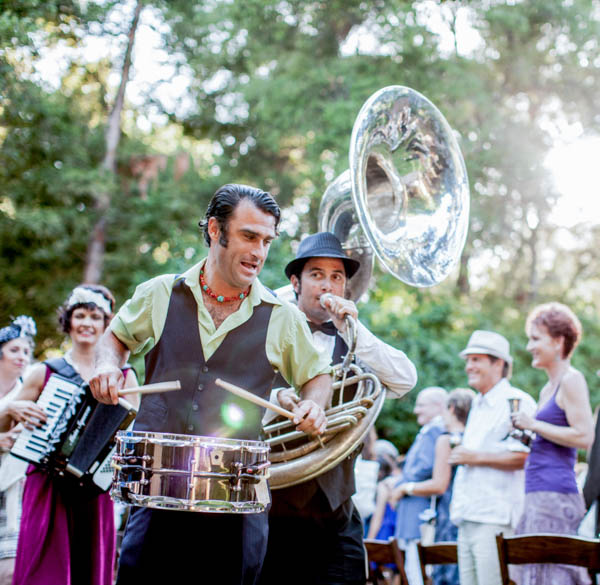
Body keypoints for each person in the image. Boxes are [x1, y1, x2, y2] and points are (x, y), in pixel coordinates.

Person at [89, 185, 333, 585]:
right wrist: (106, 367)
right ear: (216, 230)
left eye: (267, 241)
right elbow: (114, 339)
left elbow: (316, 377)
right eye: (249, 236)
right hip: (156, 491)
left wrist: (314, 405)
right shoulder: (160, 293)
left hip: (235, 504)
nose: (259, 252)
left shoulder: (281, 316)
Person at [258, 231, 417, 585]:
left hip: (337, 512)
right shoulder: (266, 330)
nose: (327, 285)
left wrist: (353, 330)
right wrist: (279, 401)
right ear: (295, 282)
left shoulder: (353, 339)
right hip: (273, 510)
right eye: (316, 275)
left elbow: (405, 380)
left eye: (336, 277)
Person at [0, 285, 138, 585]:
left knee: (87, 568)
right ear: (68, 321)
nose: (87, 323)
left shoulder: (124, 376)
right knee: (42, 569)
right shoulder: (45, 372)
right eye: (80, 315)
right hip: (46, 482)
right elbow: (3, 429)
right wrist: (13, 410)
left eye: (95, 316)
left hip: (94, 487)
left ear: (106, 325)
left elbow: (134, 436)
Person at [511, 303, 594, 585]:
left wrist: (533, 424)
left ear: (558, 341)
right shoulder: (546, 388)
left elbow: (585, 436)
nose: (528, 345)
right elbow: (553, 434)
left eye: (536, 338)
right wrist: (528, 436)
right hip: (536, 492)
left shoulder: (572, 380)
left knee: (555, 575)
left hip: (556, 496)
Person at [448, 330, 536, 585]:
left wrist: (473, 457)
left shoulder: (517, 401)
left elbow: (522, 457)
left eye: (476, 359)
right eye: (468, 360)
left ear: (499, 363)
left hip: (494, 517)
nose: (469, 366)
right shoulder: (476, 403)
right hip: (467, 514)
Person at [382, 387, 447, 585]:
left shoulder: (434, 430)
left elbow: (424, 468)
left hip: (418, 512)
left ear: (438, 407)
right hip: (412, 511)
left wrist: (401, 486)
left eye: (421, 405)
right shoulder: (429, 430)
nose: (416, 410)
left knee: (417, 571)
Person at [0, 316, 36, 585]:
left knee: (10, 569)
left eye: (26, 350)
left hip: (14, 483)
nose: (22, 356)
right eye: (14, 350)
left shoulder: (30, 389)